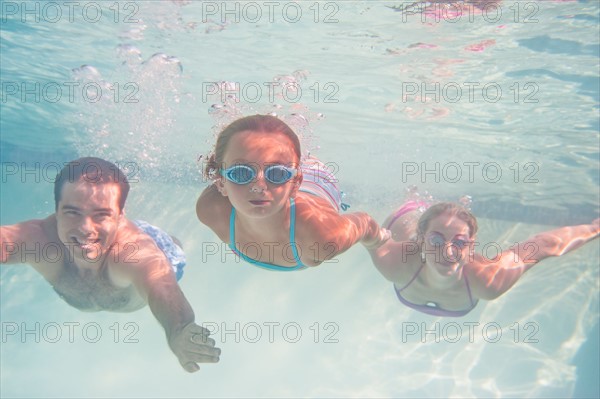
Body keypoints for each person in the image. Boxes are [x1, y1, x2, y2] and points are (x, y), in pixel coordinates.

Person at [0, 157, 220, 372]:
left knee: (169, 246)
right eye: (72, 212)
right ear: (56, 210)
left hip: (163, 254)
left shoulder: (134, 253)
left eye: (101, 214)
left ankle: (162, 237)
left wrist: (178, 329)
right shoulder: (39, 239)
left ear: (120, 216)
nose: (86, 228)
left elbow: (162, 286)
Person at [196, 114, 389, 271]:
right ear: (221, 183)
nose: (259, 186)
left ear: (296, 183)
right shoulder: (211, 210)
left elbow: (363, 223)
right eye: (240, 173)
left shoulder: (320, 238)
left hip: (319, 182)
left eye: (276, 173)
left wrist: (377, 240)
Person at [367, 201, 599, 317]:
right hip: (407, 225)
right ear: (422, 239)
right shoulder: (395, 262)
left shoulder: (488, 280)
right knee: (407, 216)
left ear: (472, 246)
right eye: (437, 240)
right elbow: (361, 228)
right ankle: (414, 201)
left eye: (459, 242)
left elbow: (542, 245)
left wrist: (594, 228)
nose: (448, 252)